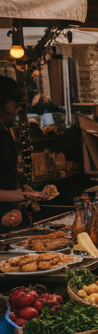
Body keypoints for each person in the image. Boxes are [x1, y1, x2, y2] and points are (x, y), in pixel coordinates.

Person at [0, 78, 48, 225]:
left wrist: (23, 194)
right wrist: (23, 195)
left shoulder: (5, 129)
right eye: (15, 102)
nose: (18, 108)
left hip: (10, 213)